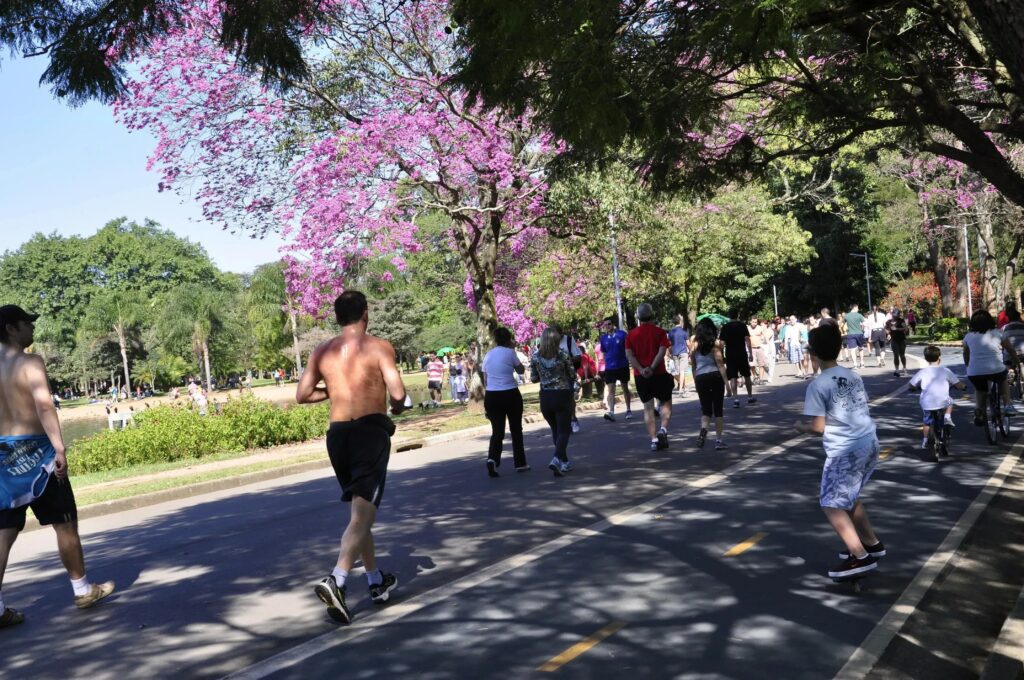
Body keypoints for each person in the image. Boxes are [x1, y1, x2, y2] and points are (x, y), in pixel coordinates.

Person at [0, 305, 115, 628]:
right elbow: (44, 404)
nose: (32, 329)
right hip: (39, 457)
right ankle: (82, 590)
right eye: (27, 323)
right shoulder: (29, 362)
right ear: (11, 328)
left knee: (4, 532)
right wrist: (60, 447)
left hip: (4, 459)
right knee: (64, 523)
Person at [298, 291, 408, 624]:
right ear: (365, 314)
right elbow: (399, 393)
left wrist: (333, 390)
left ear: (337, 317)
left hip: (338, 436)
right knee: (363, 515)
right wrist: (397, 407)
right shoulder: (378, 347)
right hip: (368, 432)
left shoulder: (322, 351)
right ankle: (338, 580)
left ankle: (375, 580)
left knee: (359, 512)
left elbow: (303, 394)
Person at [794, 324, 885, 580]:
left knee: (830, 502)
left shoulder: (818, 384)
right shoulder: (853, 374)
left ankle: (859, 557)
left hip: (845, 450)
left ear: (813, 352)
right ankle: (872, 544)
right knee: (848, 496)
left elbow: (818, 427)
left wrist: (801, 427)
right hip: (868, 442)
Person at [625, 303, 673, 452]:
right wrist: (652, 367)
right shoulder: (659, 332)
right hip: (658, 373)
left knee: (648, 408)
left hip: (641, 376)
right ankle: (663, 429)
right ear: (652, 315)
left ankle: (653, 440)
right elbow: (662, 351)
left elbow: (629, 355)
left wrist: (641, 369)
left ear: (638, 316)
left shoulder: (631, 335)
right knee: (665, 403)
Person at [530, 326, 576, 476]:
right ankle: (556, 458)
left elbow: (533, 378)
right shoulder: (562, 355)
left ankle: (564, 462)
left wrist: (544, 376)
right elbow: (572, 373)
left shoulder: (535, 357)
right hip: (562, 394)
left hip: (545, 397)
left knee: (555, 430)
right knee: (565, 430)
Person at [482, 327, 527, 477]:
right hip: (510, 393)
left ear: (495, 340)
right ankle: (520, 463)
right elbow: (521, 371)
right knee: (516, 429)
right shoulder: (510, 352)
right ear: (509, 339)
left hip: (492, 395)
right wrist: (514, 351)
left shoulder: (488, 355)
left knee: (497, 431)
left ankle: (492, 459)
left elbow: (485, 378)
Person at [963, 309, 1020, 424]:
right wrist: (1016, 361)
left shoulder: (968, 336)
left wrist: (968, 365)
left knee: (980, 389)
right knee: (1003, 379)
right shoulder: (998, 333)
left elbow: (966, 354)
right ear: (990, 320)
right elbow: (1010, 350)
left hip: (975, 372)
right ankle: (1008, 404)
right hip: (996, 370)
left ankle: (979, 410)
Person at [908, 345, 965, 454]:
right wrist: (963, 387)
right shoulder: (945, 370)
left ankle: (925, 440)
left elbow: (911, 385)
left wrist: (915, 388)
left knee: (926, 422)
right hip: (942, 401)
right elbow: (958, 384)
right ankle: (947, 417)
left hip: (926, 403)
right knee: (950, 401)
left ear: (925, 359)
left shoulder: (923, 372)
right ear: (939, 358)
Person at [691, 317, 730, 449]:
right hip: (715, 376)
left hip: (701, 378)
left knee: (706, 410)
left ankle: (703, 431)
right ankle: (718, 441)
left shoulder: (694, 348)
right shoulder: (715, 346)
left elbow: (694, 367)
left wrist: (696, 381)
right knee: (718, 410)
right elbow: (720, 365)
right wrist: (728, 385)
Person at [599, 316, 633, 422]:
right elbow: (604, 353)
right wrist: (607, 363)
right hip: (610, 368)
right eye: (605, 325)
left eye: (609, 324)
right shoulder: (603, 338)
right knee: (611, 389)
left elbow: (628, 349)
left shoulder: (622, 334)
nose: (607, 326)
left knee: (625, 388)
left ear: (613, 324)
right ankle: (612, 412)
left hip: (622, 365)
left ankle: (628, 409)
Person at [719, 311, 756, 407]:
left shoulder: (725, 327)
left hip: (730, 354)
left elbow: (722, 343)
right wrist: (750, 353)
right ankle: (750, 396)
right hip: (742, 353)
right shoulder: (742, 325)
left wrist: (722, 355)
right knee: (747, 375)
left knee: (733, 377)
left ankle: (736, 399)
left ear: (729, 317)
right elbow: (747, 340)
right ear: (737, 315)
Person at [668, 315, 690, 394]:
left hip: (674, 353)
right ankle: (681, 388)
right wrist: (690, 351)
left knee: (678, 372)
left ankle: (683, 386)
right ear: (680, 322)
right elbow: (688, 343)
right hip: (683, 352)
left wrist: (670, 352)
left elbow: (669, 344)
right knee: (682, 371)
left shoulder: (671, 332)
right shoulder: (684, 331)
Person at [886, 309, 910, 377]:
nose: (895, 317)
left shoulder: (901, 320)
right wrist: (888, 333)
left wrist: (897, 329)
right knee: (896, 355)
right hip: (894, 340)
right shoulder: (888, 322)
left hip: (901, 340)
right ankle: (897, 370)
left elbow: (906, 328)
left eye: (897, 315)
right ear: (892, 315)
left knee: (902, 355)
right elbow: (886, 330)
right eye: (894, 315)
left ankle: (904, 368)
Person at [844, 304, 867, 369]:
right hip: (859, 333)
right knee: (861, 348)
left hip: (850, 334)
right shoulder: (859, 315)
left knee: (852, 349)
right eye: (857, 308)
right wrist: (862, 330)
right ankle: (862, 363)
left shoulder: (846, 316)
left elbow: (843, 323)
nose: (858, 309)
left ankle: (855, 364)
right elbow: (864, 323)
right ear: (854, 307)